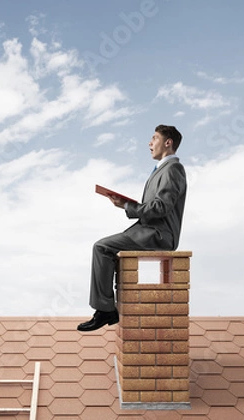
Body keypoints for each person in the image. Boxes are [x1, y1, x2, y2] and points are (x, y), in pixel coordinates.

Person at [77, 125, 187, 332]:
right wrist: (125, 204)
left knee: (101, 247)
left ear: (168, 142)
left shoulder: (173, 169)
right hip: (146, 230)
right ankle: (106, 307)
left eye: (154, 138)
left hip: (158, 235)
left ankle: (105, 310)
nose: (150, 143)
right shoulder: (162, 170)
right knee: (104, 247)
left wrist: (129, 206)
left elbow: (162, 207)